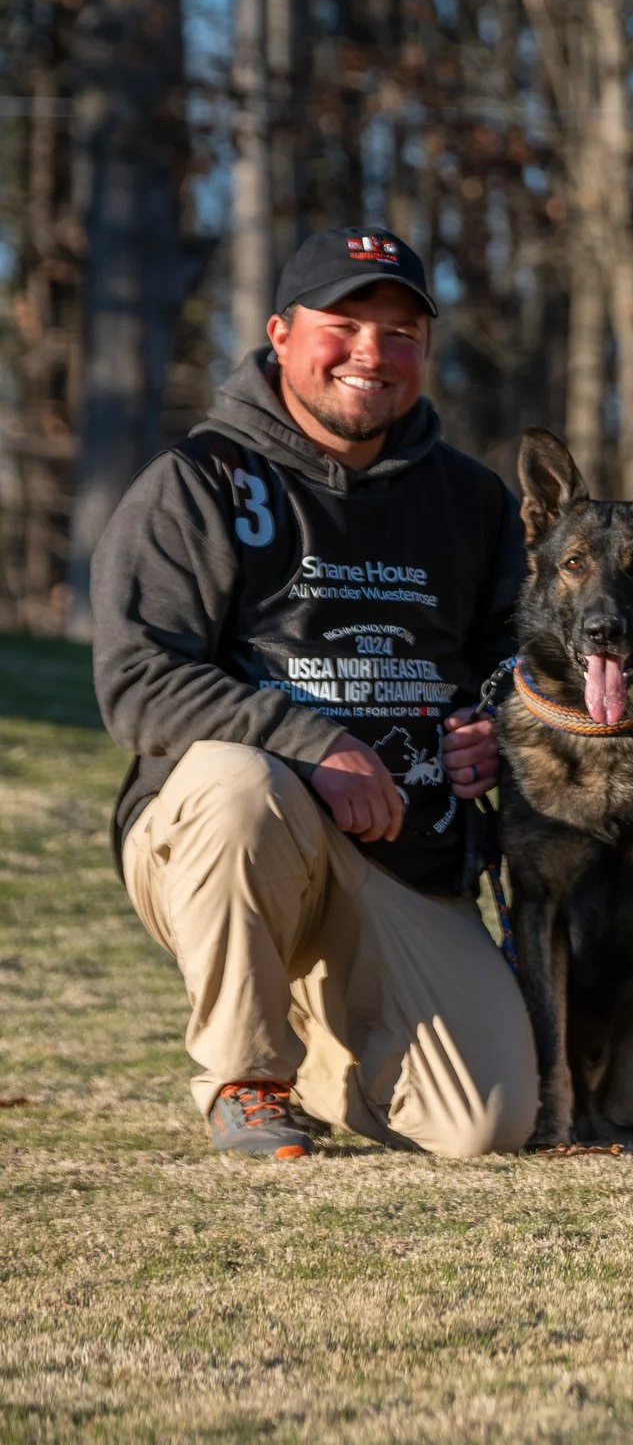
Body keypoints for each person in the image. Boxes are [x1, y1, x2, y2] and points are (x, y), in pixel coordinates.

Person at [92, 227, 534, 1159]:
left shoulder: (472, 499)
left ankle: (322, 1047)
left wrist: (498, 723)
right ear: (281, 332)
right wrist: (312, 745)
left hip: (407, 848)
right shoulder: (199, 483)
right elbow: (138, 682)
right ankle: (245, 1079)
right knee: (238, 783)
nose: (373, 352)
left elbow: (515, 654)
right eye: (344, 323)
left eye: (402, 331)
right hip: (228, 834)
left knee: (485, 1126)